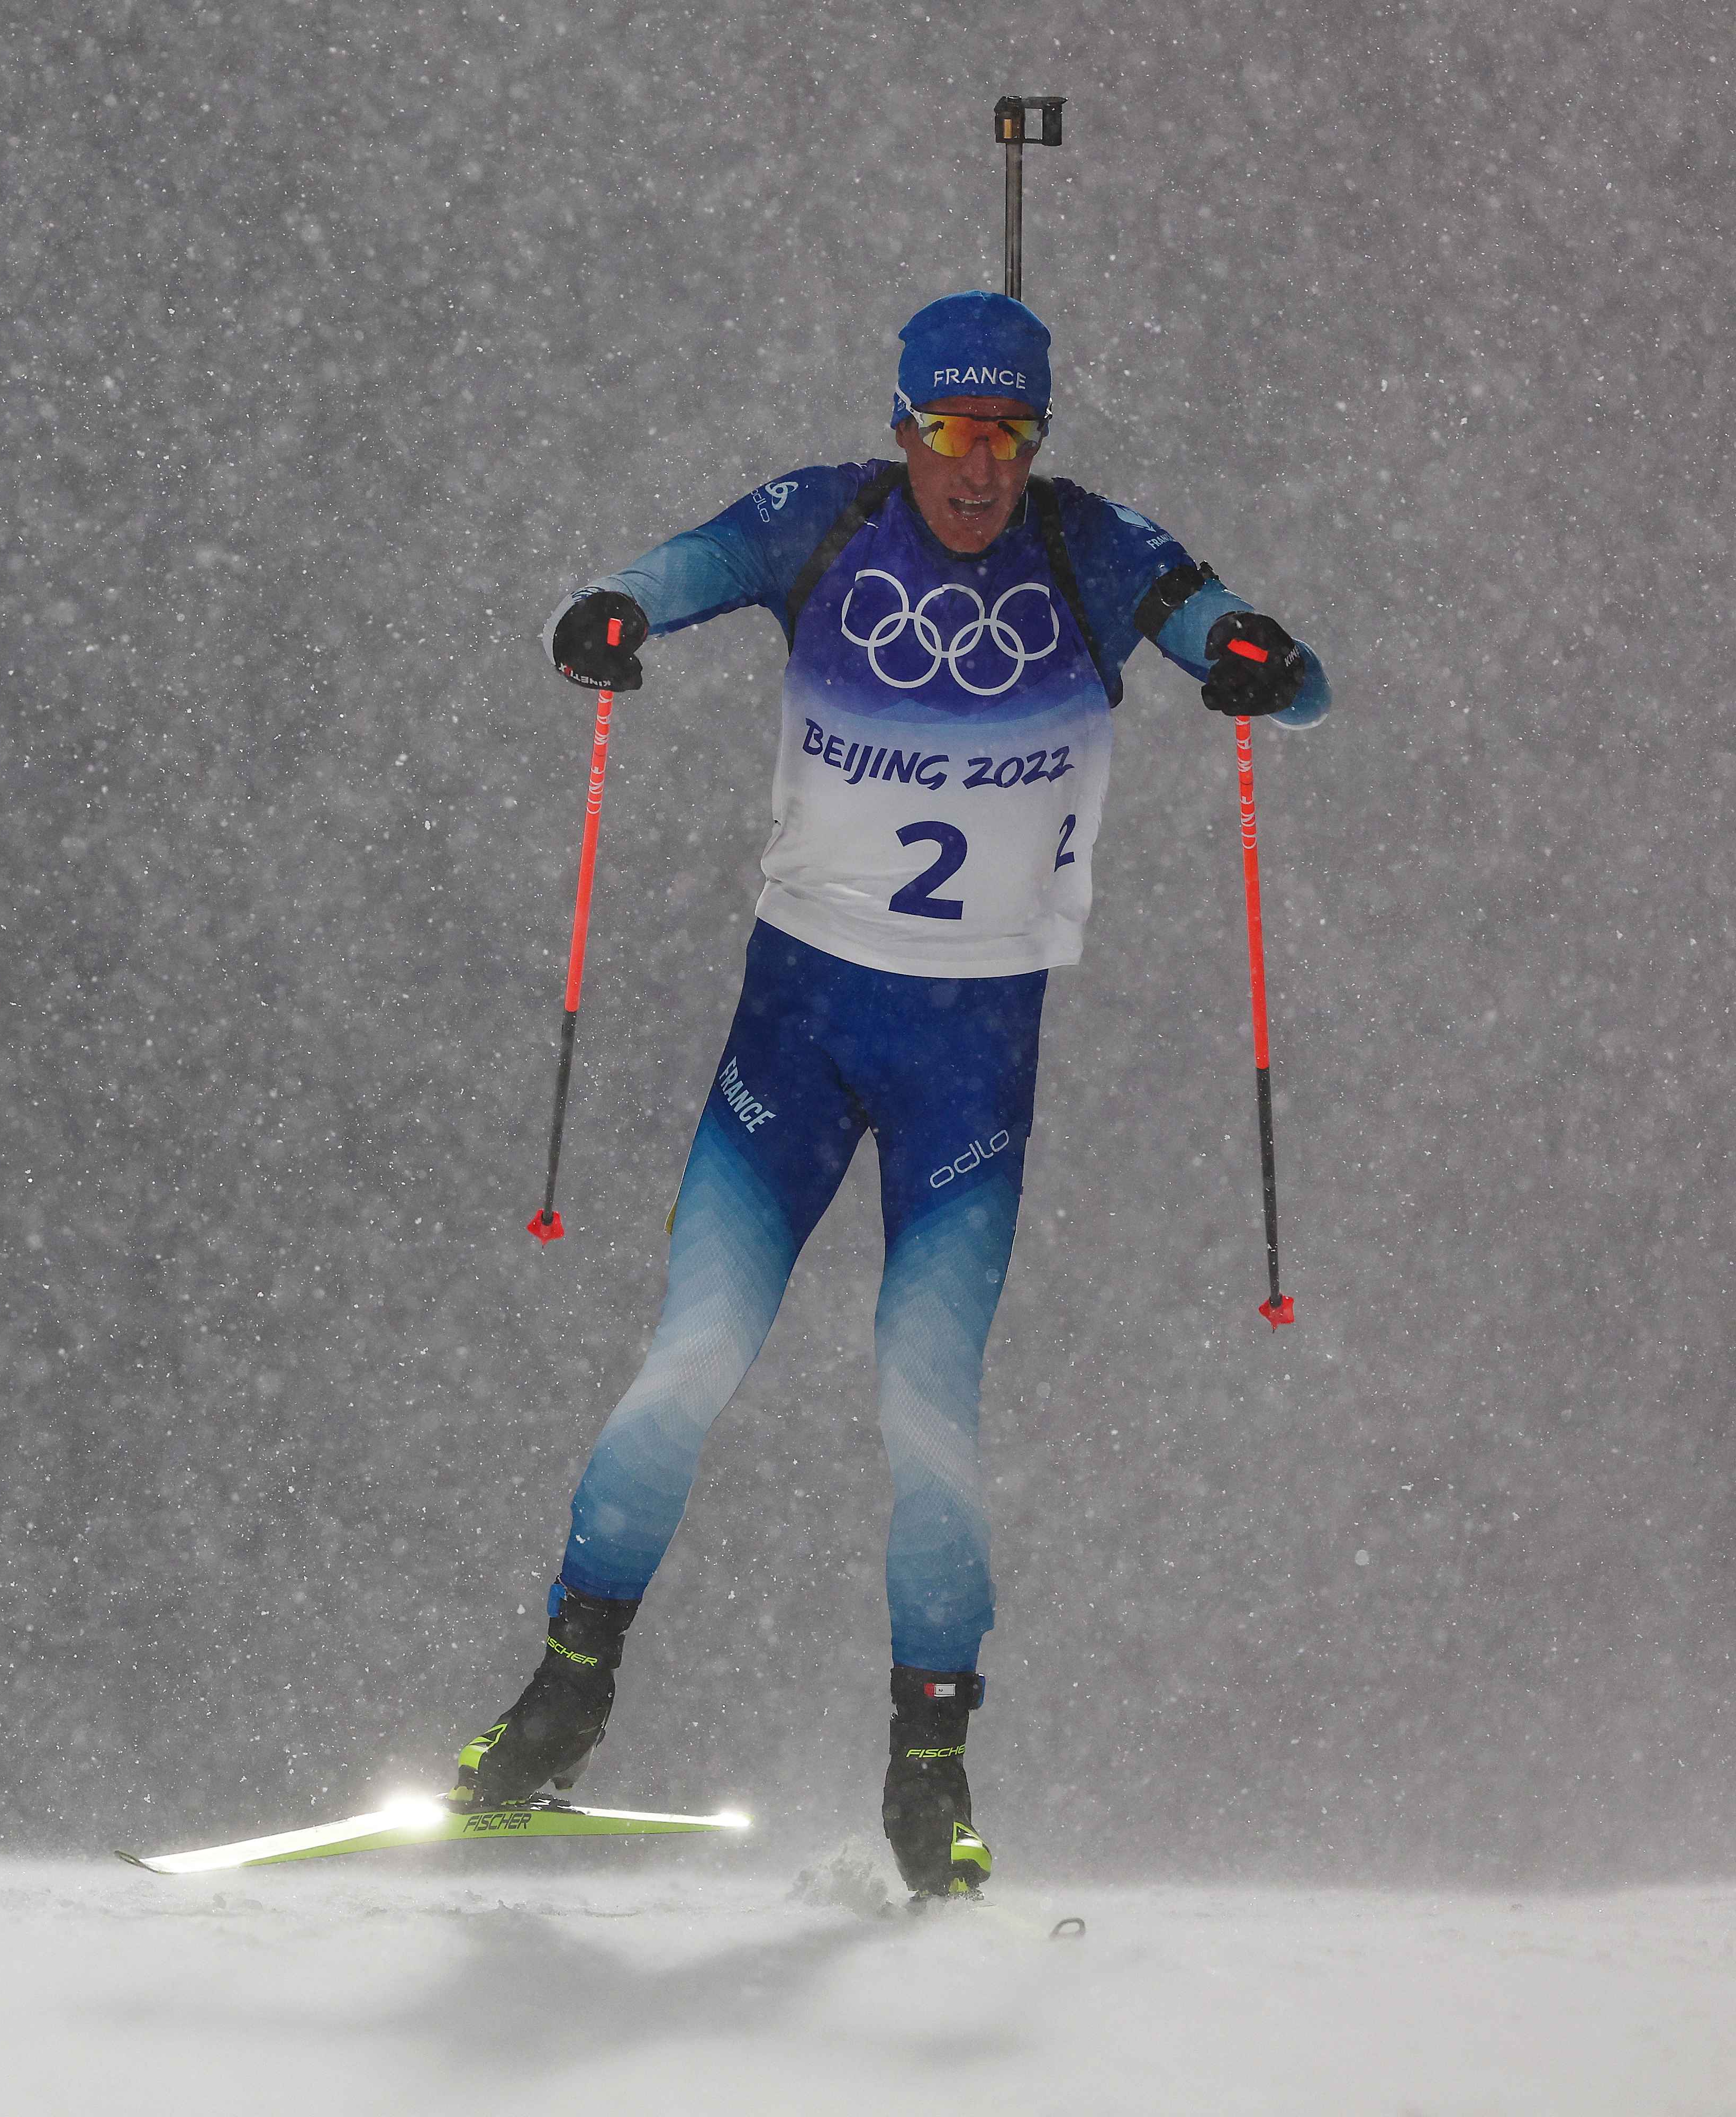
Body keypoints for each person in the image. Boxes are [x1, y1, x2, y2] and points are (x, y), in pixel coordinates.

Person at [451, 292, 1331, 1901]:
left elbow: (1254, 642)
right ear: (903, 423)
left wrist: (1257, 659)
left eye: (1007, 434)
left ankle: (929, 1769)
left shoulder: (1094, 548)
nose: (976, 467)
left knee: (928, 1405)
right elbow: (687, 565)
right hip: (796, 1028)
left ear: (1038, 440)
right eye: (946, 431)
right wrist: (612, 613)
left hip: (971, 1066)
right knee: (692, 1358)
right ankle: (563, 1698)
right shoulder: (827, 516)